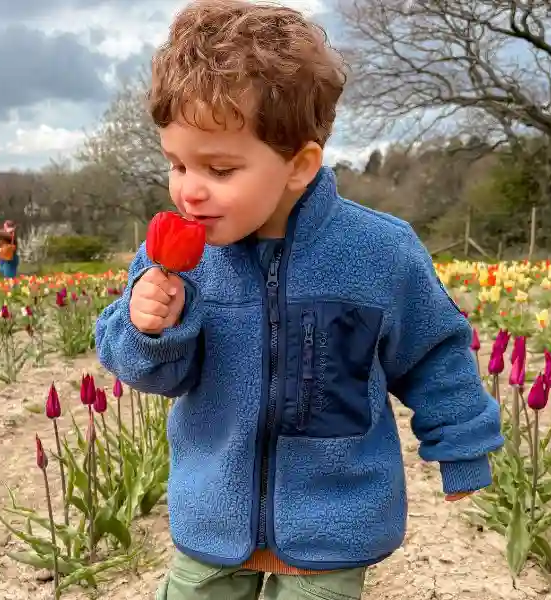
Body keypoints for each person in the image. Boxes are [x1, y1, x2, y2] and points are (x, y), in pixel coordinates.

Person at [94, 1, 503, 598]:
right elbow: (149, 373)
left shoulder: (378, 252)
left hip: (334, 520)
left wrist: (462, 447)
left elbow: (433, 352)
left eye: (219, 169)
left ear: (299, 165)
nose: (189, 191)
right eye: (177, 164)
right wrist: (148, 328)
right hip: (212, 513)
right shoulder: (174, 259)